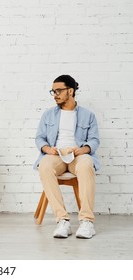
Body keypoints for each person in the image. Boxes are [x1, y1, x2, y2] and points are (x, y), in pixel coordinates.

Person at [34, 75, 100, 239]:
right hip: (56, 154)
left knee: (86, 164)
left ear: (70, 91)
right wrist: (48, 149)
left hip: (77, 154)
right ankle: (62, 220)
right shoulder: (48, 115)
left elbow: (94, 140)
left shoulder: (88, 115)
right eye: (53, 91)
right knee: (44, 166)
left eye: (59, 90)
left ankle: (86, 222)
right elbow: (39, 138)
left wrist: (83, 149)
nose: (55, 94)